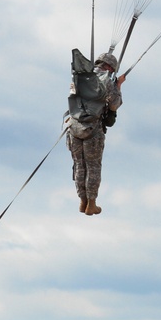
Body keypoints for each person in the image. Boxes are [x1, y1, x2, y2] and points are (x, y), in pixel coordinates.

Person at [64, 49, 126, 215]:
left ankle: (82, 201)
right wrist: (118, 86)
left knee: (79, 166)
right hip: (93, 130)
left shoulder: (80, 76)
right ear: (110, 68)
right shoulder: (107, 81)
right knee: (93, 167)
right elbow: (114, 104)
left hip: (74, 128)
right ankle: (91, 204)